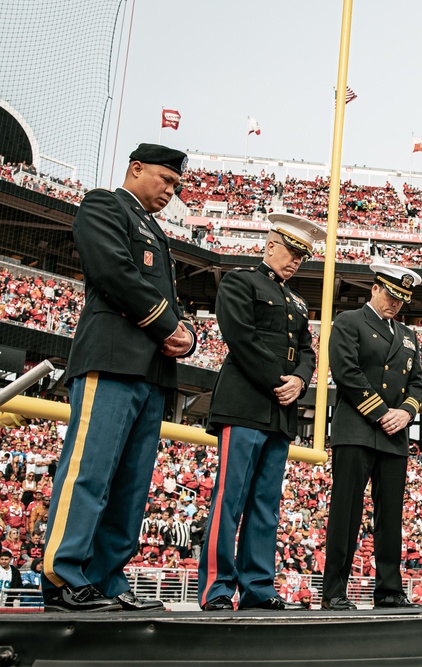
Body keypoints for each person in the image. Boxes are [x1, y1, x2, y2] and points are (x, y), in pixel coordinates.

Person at [43, 144, 195, 612]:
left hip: (151, 372)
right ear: (136, 168)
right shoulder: (104, 204)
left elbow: (165, 296)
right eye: (165, 180)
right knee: (90, 471)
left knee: (130, 484)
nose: (171, 191)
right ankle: (65, 576)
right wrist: (167, 323)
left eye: (176, 185)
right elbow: (112, 268)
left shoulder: (155, 231)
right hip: (111, 359)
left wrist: (185, 332)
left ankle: (107, 579)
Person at [198, 213, 321, 612]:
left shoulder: (297, 300)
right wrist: (281, 381)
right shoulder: (240, 281)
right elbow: (241, 337)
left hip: (280, 410)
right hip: (247, 402)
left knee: (266, 504)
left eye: (303, 257)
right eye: (292, 252)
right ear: (270, 246)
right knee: (229, 499)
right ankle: (217, 588)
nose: (297, 261)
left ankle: (258, 586)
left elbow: (307, 351)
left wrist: (301, 380)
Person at [321, 262, 422, 611]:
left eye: (402, 300)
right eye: (392, 295)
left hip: (394, 435)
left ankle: (389, 591)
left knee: (390, 517)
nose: (396, 304)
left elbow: (418, 383)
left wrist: (406, 412)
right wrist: (383, 413)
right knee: (346, 514)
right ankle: (334, 591)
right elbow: (346, 371)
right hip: (357, 430)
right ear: (375, 289)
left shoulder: (408, 335)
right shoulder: (350, 322)